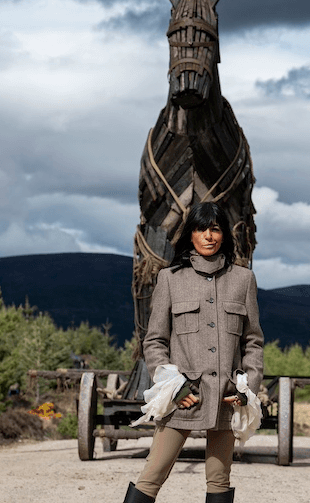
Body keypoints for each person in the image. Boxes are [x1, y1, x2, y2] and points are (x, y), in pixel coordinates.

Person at [122, 201, 264, 503]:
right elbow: (155, 341)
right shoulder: (171, 279)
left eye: (215, 229)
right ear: (191, 235)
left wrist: (247, 392)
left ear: (224, 234)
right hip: (184, 398)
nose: (209, 236)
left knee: (219, 480)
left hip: (227, 399)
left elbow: (252, 342)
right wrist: (174, 388)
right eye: (201, 229)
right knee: (152, 475)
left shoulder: (243, 280)